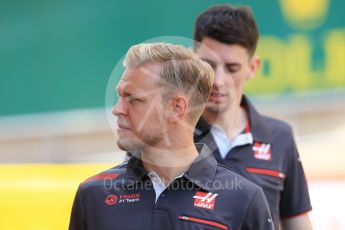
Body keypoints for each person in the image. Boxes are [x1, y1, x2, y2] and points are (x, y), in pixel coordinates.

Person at [69, 43, 274, 230]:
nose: (117, 110)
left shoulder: (243, 199)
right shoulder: (93, 195)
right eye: (120, 96)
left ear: (177, 108)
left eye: (134, 99)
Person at [193, 5, 312, 230]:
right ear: (192, 61)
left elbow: (297, 223)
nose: (218, 80)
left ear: (252, 67)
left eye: (232, 68)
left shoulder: (280, 138)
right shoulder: (165, 136)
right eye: (208, 66)